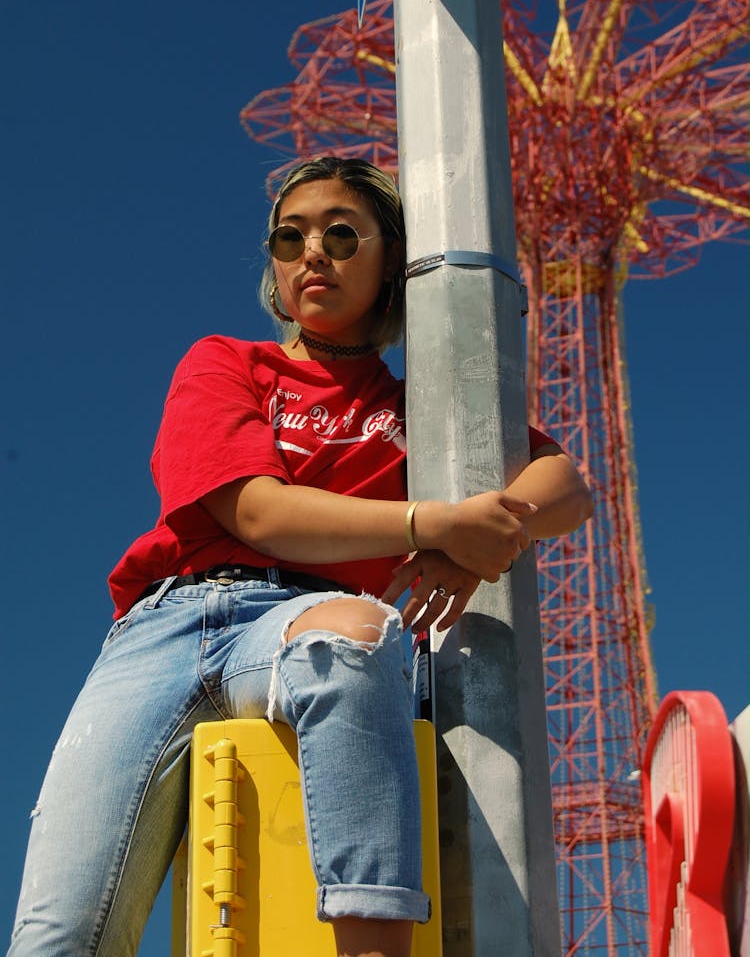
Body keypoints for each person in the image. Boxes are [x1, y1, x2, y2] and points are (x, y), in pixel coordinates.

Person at [8, 156, 593, 957]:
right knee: (60, 932)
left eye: (342, 233)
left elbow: (567, 485)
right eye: (291, 236)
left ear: (391, 260)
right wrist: (438, 523)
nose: (311, 251)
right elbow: (255, 510)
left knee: (353, 638)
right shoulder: (227, 363)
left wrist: (479, 543)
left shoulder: (419, 409)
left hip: (299, 620)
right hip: (166, 627)